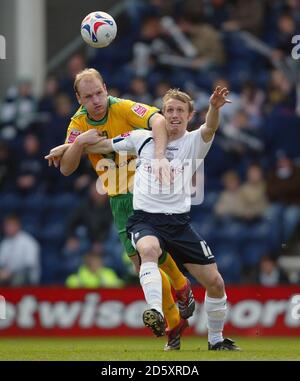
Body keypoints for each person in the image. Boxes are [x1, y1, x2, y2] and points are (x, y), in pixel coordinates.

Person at [45, 68, 194, 350]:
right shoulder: (77, 122)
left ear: (106, 88)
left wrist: (160, 157)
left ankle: (178, 297)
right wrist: (80, 142)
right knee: (141, 265)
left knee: (149, 251)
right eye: (89, 96)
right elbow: (66, 168)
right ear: (79, 98)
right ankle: (176, 312)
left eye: (100, 93)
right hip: (118, 197)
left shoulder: (123, 107)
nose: (97, 100)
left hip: (144, 186)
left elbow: (158, 120)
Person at [85, 86, 241, 351]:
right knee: (147, 249)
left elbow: (210, 127)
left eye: (180, 110)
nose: (174, 114)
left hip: (179, 224)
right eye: (169, 110)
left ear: (190, 115)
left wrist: (214, 108)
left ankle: (215, 340)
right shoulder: (142, 138)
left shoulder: (194, 142)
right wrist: (74, 144)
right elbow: (104, 144)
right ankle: (155, 311)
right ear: (162, 113)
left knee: (215, 283)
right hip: (146, 220)